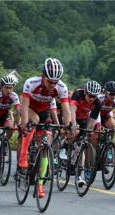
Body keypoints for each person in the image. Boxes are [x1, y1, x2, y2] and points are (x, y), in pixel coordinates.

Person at [19, 58, 72, 198]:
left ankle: (40, 184)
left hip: (44, 111)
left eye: (56, 82)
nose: (53, 85)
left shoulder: (62, 87)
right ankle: (23, 155)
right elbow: (24, 105)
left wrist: (68, 126)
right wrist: (24, 123)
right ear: (43, 76)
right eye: (50, 81)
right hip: (29, 108)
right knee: (34, 120)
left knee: (46, 145)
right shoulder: (31, 82)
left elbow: (66, 110)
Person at [69, 80, 102, 186]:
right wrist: (73, 124)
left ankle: (79, 175)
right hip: (72, 116)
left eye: (94, 96)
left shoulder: (97, 103)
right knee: (73, 134)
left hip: (83, 119)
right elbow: (72, 110)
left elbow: (92, 120)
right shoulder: (78, 94)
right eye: (90, 96)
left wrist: (87, 133)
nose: (92, 99)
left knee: (82, 145)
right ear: (85, 93)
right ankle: (65, 145)